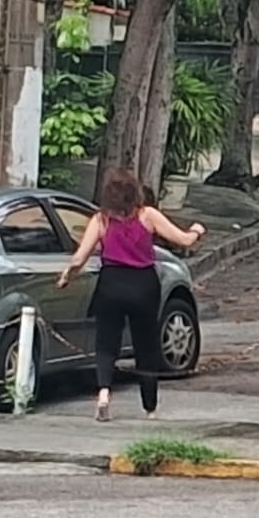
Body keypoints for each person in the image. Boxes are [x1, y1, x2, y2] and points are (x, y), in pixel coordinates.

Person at [57, 168, 204, 421]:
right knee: (146, 345)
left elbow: (79, 257)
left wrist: (66, 276)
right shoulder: (147, 216)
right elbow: (183, 240)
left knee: (106, 342)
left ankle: (104, 394)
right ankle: (150, 408)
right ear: (135, 193)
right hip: (144, 285)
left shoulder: (100, 220)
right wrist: (197, 231)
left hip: (111, 283)